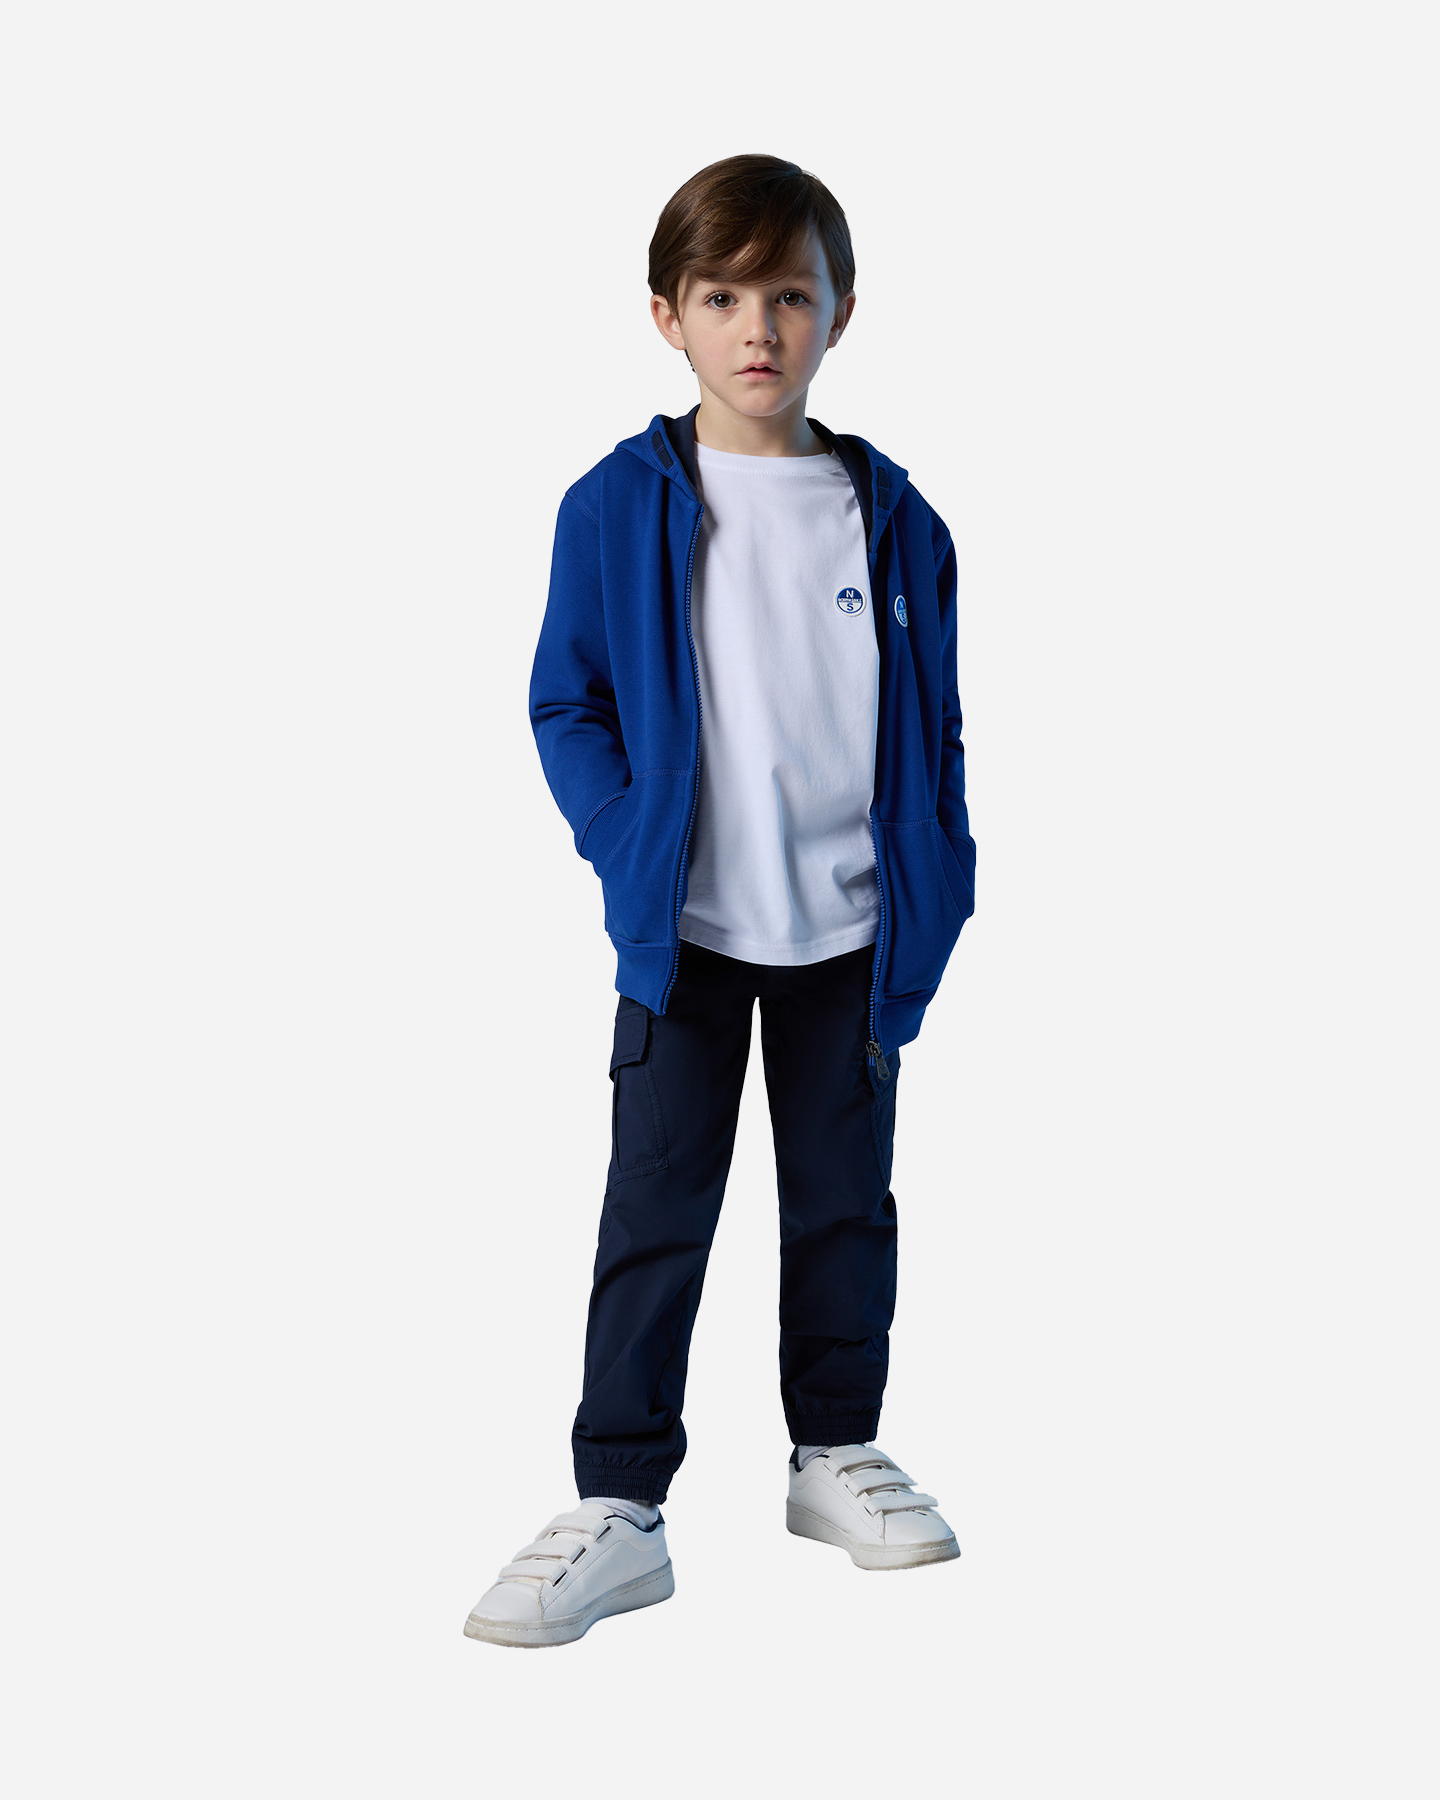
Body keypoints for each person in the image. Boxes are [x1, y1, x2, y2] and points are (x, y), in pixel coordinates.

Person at [465, 154, 976, 1648]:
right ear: (667, 316)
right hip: (685, 934)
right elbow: (567, 703)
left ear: (841, 312)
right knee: (655, 1210)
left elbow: (936, 725)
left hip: (852, 932)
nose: (760, 328)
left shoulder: (897, 519)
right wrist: (625, 838)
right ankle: (620, 1500)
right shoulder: (615, 506)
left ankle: (835, 1451)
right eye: (724, 296)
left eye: (791, 296)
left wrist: (941, 877)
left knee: (845, 1203)